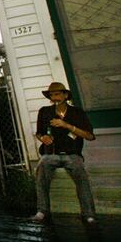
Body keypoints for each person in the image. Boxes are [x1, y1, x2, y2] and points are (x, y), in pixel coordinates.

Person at [32, 81, 97, 223]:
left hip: (72, 154)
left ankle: (88, 214)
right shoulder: (44, 111)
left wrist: (67, 125)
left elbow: (90, 136)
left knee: (81, 175)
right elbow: (38, 133)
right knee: (41, 169)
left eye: (57, 94)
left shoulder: (77, 112)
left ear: (65, 95)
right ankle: (42, 210)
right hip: (51, 154)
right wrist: (43, 138)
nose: (54, 98)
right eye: (52, 95)